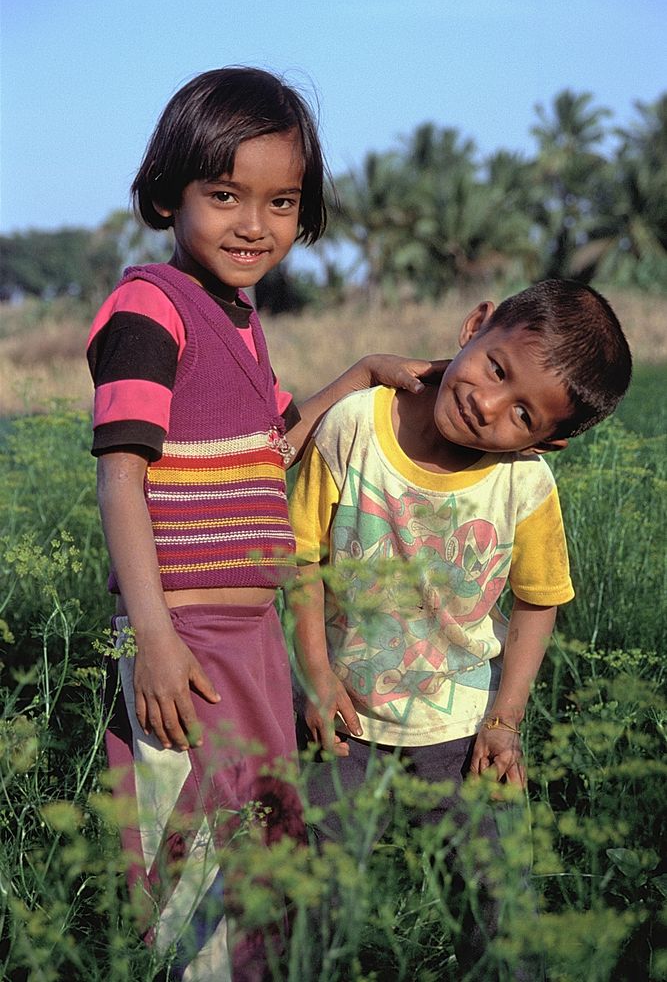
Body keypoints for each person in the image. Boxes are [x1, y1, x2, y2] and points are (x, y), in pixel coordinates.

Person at [86, 66, 438, 982]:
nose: (255, 224)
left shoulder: (237, 316)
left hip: (253, 632)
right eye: (224, 195)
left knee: (264, 835)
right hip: (187, 636)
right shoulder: (149, 309)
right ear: (167, 195)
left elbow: (273, 440)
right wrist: (154, 636)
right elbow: (121, 479)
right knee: (192, 845)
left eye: (280, 201)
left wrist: (356, 375)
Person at [289, 279, 632, 978]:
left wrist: (504, 721)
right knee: (309, 908)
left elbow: (539, 602)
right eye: (497, 369)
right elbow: (298, 560)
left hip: (464, 728)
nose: (486, 403)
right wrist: (317, 676)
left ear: (551, 439)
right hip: (340, 720)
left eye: (521, 414)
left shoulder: (525, 484)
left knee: (498, 916)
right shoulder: (354, 425)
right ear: (475, 324)